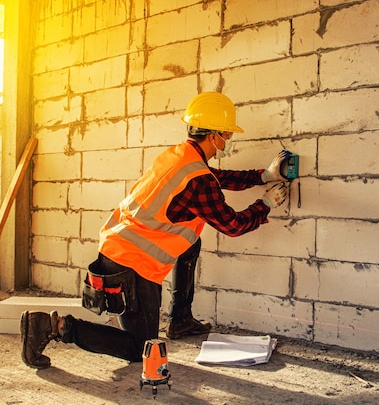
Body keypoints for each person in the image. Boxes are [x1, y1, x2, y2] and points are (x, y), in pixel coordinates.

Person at [21, 91, 290, 369]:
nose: (228, 142)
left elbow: (216, 178)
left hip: (115, 249)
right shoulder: (197, 179)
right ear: (213, 136)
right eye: (227, 135)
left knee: (190, 241)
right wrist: (266, 203)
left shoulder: (178, 156)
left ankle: (180, 320)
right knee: (141, 349)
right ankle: (53, 326)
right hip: (133, 269)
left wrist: (264, 176)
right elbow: (233, 225)